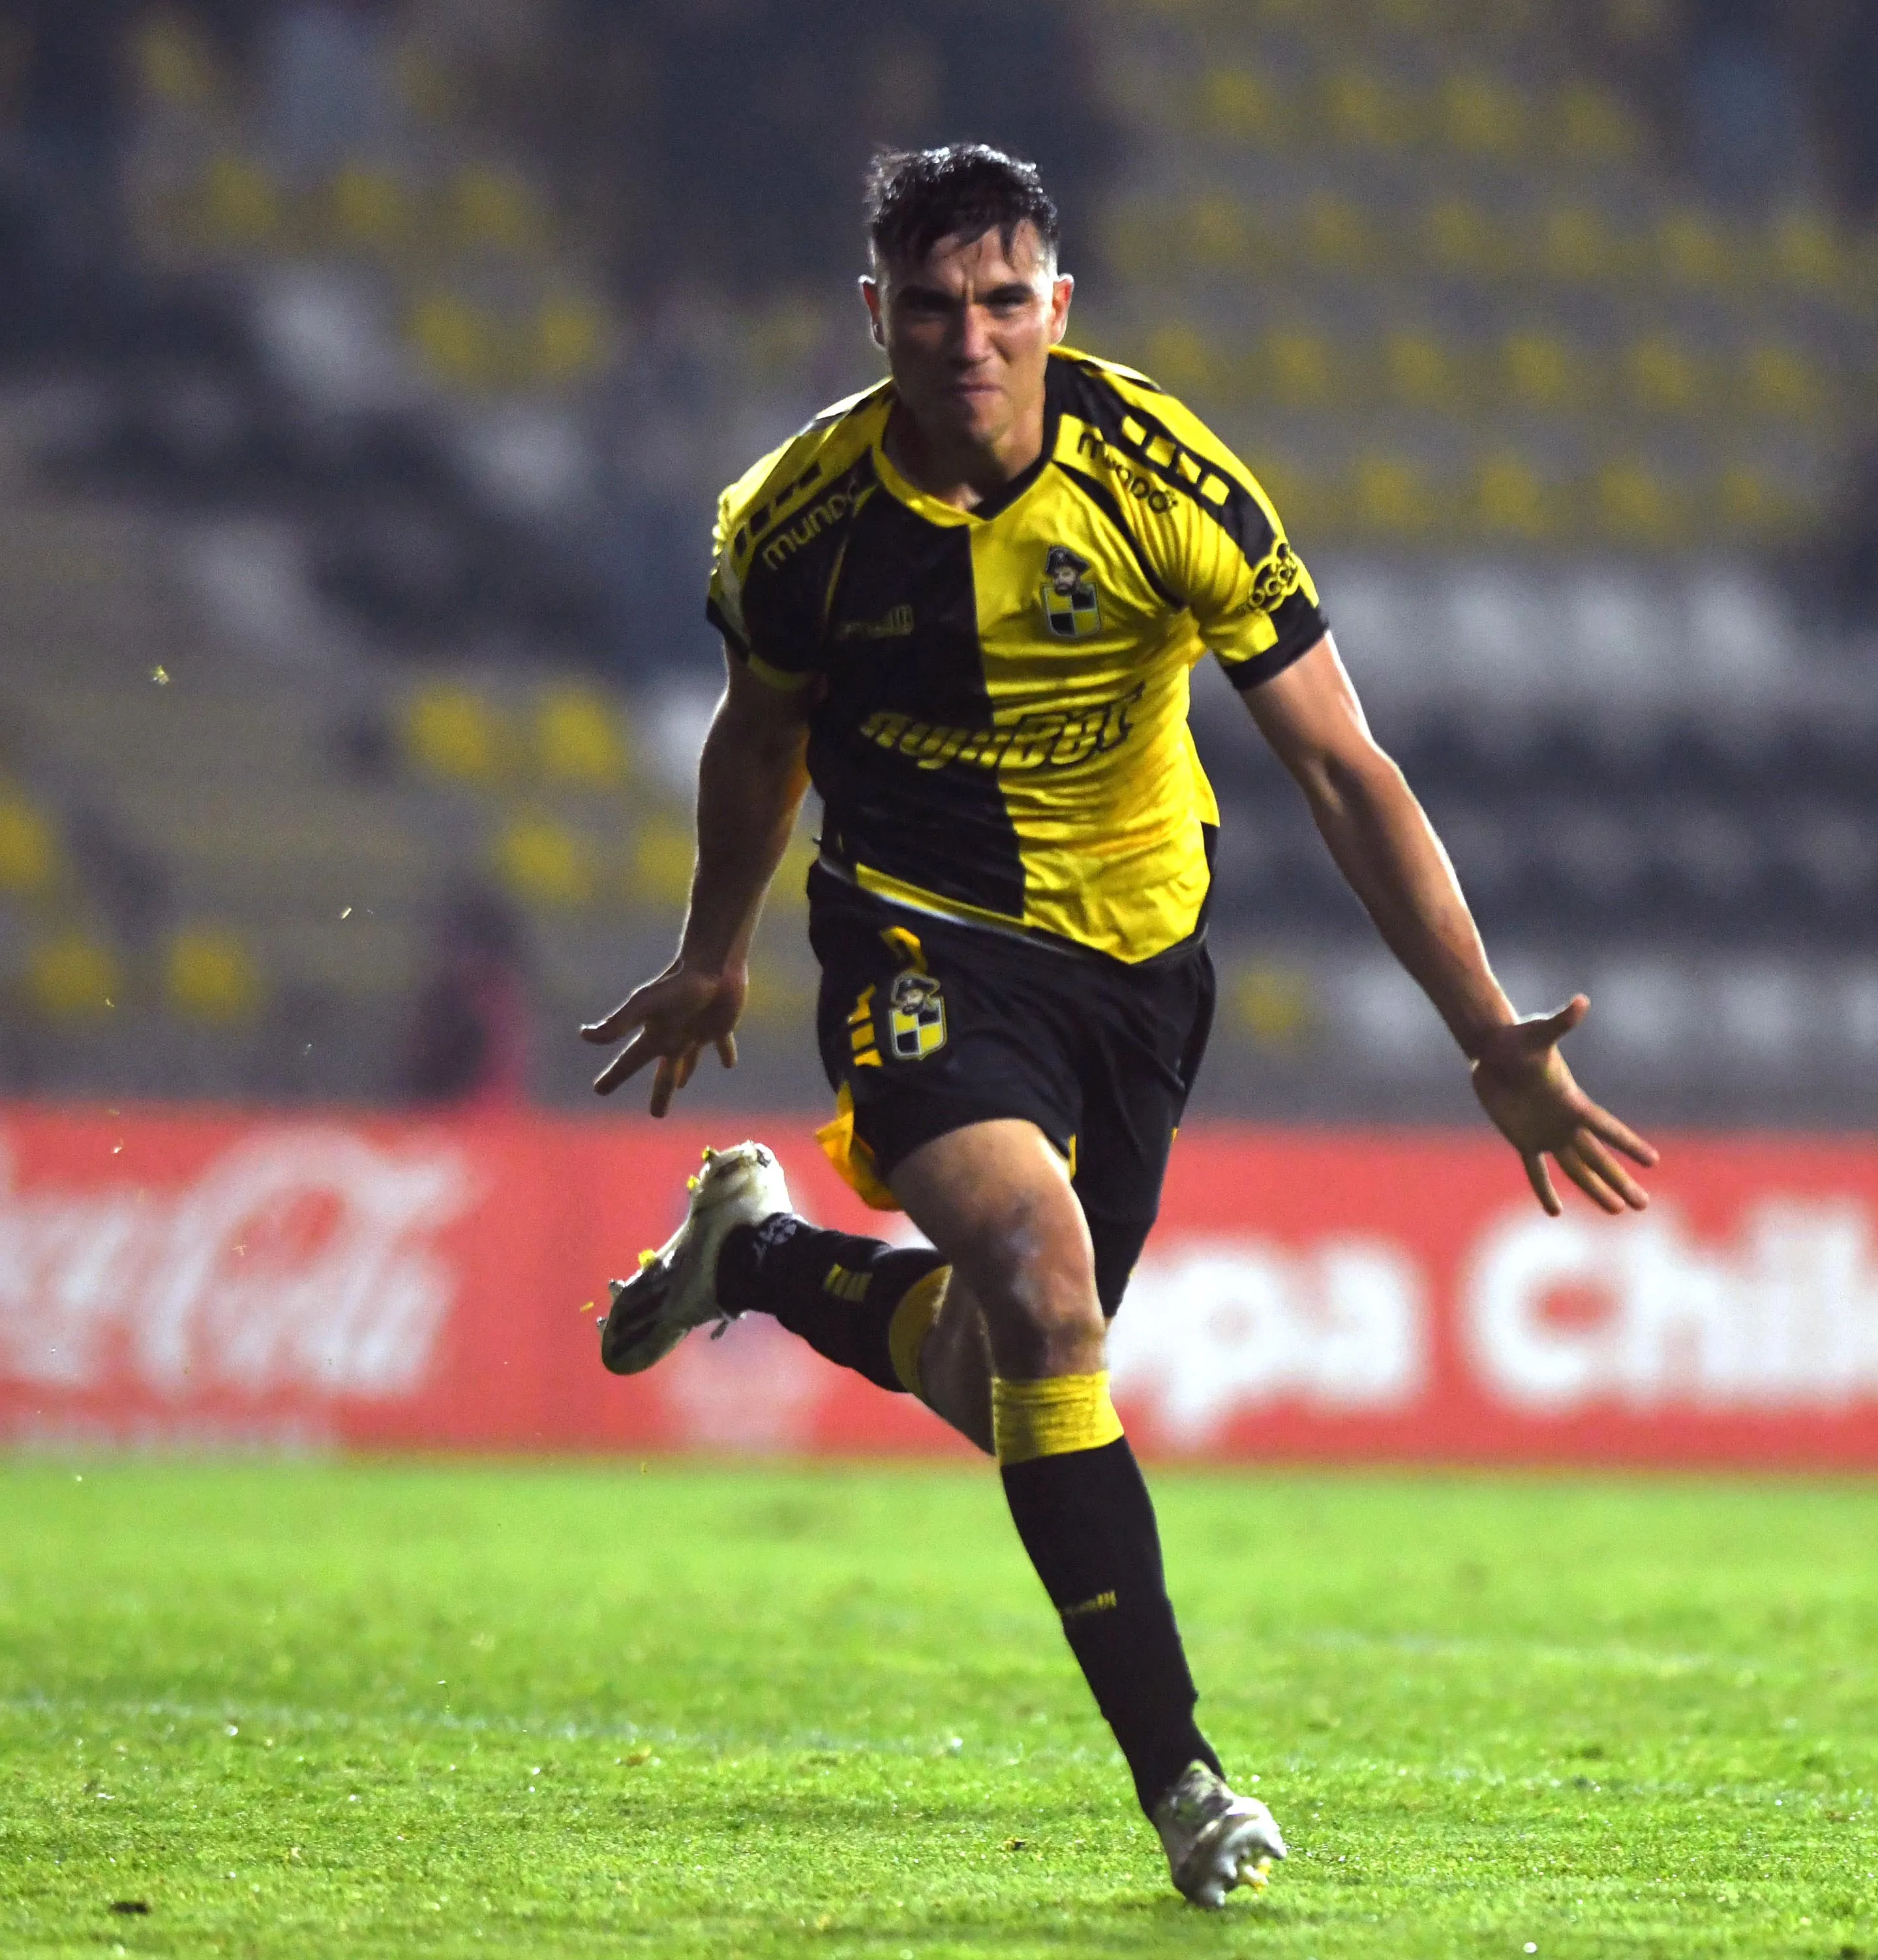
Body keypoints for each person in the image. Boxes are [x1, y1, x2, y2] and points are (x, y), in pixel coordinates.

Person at [576, 145, 1656, 1904]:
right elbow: (757, 742)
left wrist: (1483, 1029)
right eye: (929, 308)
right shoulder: (794, 523)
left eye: (1004, 302)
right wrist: (715, 947)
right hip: (917, 934)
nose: (968, 341)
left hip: (1140, 964)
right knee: (1044, 1278)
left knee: (1008, 1366)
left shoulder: (1170, 477)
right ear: (876, 317)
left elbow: (1337, 761)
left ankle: (761, 1258)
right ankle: (1186, 1785)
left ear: (1056, 308)